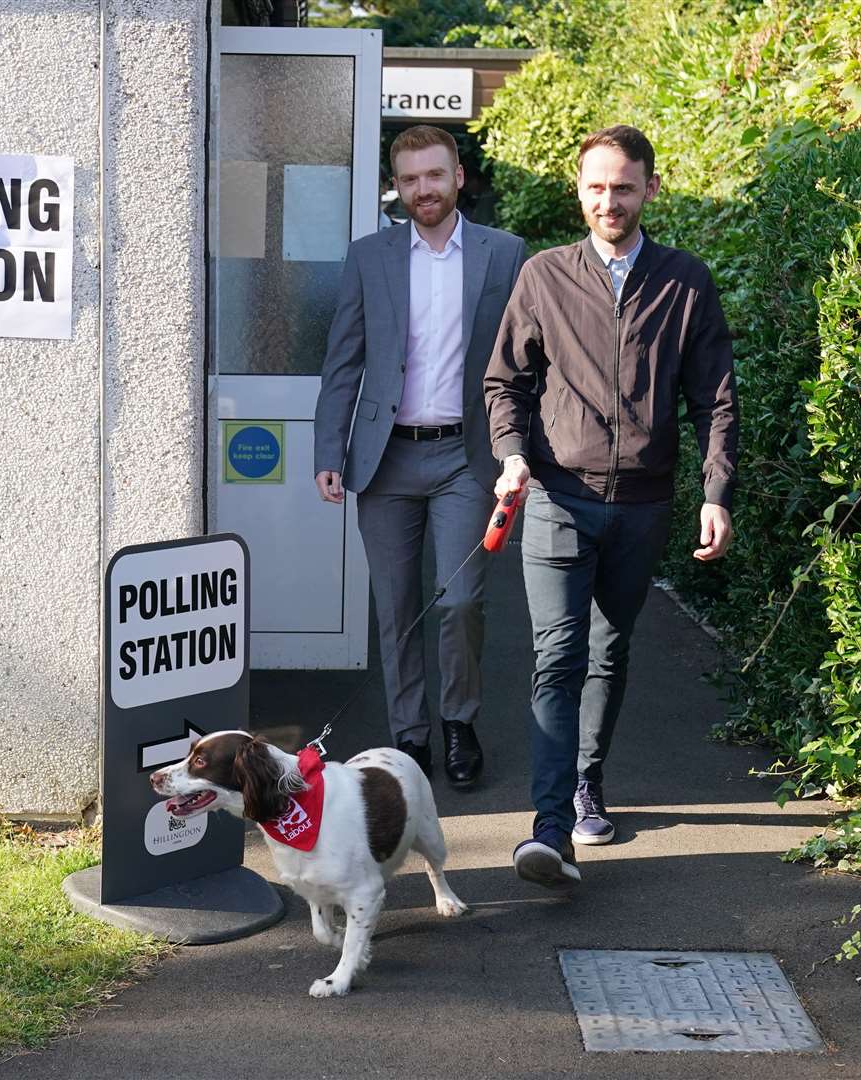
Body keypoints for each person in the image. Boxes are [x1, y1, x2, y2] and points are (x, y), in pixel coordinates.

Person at [485, 125, 739, 888]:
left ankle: (589, 780)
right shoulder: (543, 277)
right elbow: (507, 383)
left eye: (623, 187)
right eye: (596, 187)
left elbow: (716, 401)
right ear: (579, 189)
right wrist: (512, 455)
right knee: (557, 658)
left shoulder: (686, 281)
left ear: (649, 190)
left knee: (608, 651)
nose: (609, 201)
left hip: (643, 507)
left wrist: (714, 491)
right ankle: (550, 828)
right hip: (559, 497)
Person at [315, 124, 527, 788]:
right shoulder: (369, 256)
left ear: (458, 176)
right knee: (396, 605)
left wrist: (518, 451)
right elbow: (343, 362)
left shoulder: (505, 253)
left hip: (465, 457)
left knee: (460, 601)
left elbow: (523, 361)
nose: (422, 190)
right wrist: (330, 447)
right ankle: (408, 735)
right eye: (409, 180)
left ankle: (458, 722)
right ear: (397, 186)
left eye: (434, 176)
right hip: (385, 459)